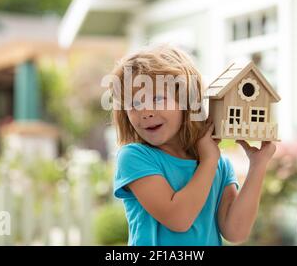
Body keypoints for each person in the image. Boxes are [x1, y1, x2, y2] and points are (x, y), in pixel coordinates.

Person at [110, 44, 276, 246]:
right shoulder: (135, 157)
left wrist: (258, 165)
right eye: (134, 104)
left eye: (158, 99)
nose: (146, 112)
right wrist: (208, 160)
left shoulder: (219, 164)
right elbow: (179, 219)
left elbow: (236, 232)